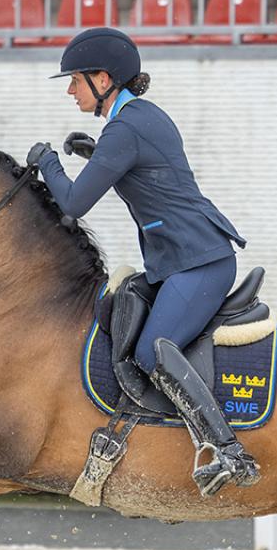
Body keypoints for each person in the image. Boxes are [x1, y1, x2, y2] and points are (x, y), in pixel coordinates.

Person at [25, 27, 260, 498]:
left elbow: (72, 204)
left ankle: (229, 452)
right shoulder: (137, 120)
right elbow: (147, 172)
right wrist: (95, 153)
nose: (70, 90)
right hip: (183, 259)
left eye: (75, 80)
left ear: (103, 79)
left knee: (154, 348)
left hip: (198, 262)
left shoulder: (126, 127)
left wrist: (46, 162)